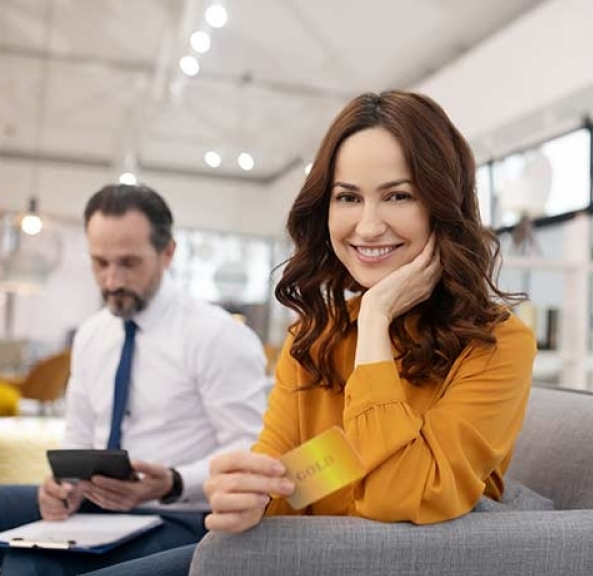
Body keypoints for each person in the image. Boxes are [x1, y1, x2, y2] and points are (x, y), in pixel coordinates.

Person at [76, 89, 537, 576]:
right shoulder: (315, 338)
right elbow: (287, 489)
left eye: (398, 195)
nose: (368, 225)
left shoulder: (499, 344)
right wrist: (243, 496)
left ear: (443, 206)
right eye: (348, 198)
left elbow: (398, 497)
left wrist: (376, 319)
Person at [0, 184, 270, 576]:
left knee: (29, 561)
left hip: (178, 514)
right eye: (100, 263)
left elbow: (253, 451)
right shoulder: (93, 335)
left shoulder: (217, 336)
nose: (111, 281)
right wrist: (62, 486)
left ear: (168, 253)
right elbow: (77, 437)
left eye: (128, 263)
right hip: (95, 507)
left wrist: (172, 483)